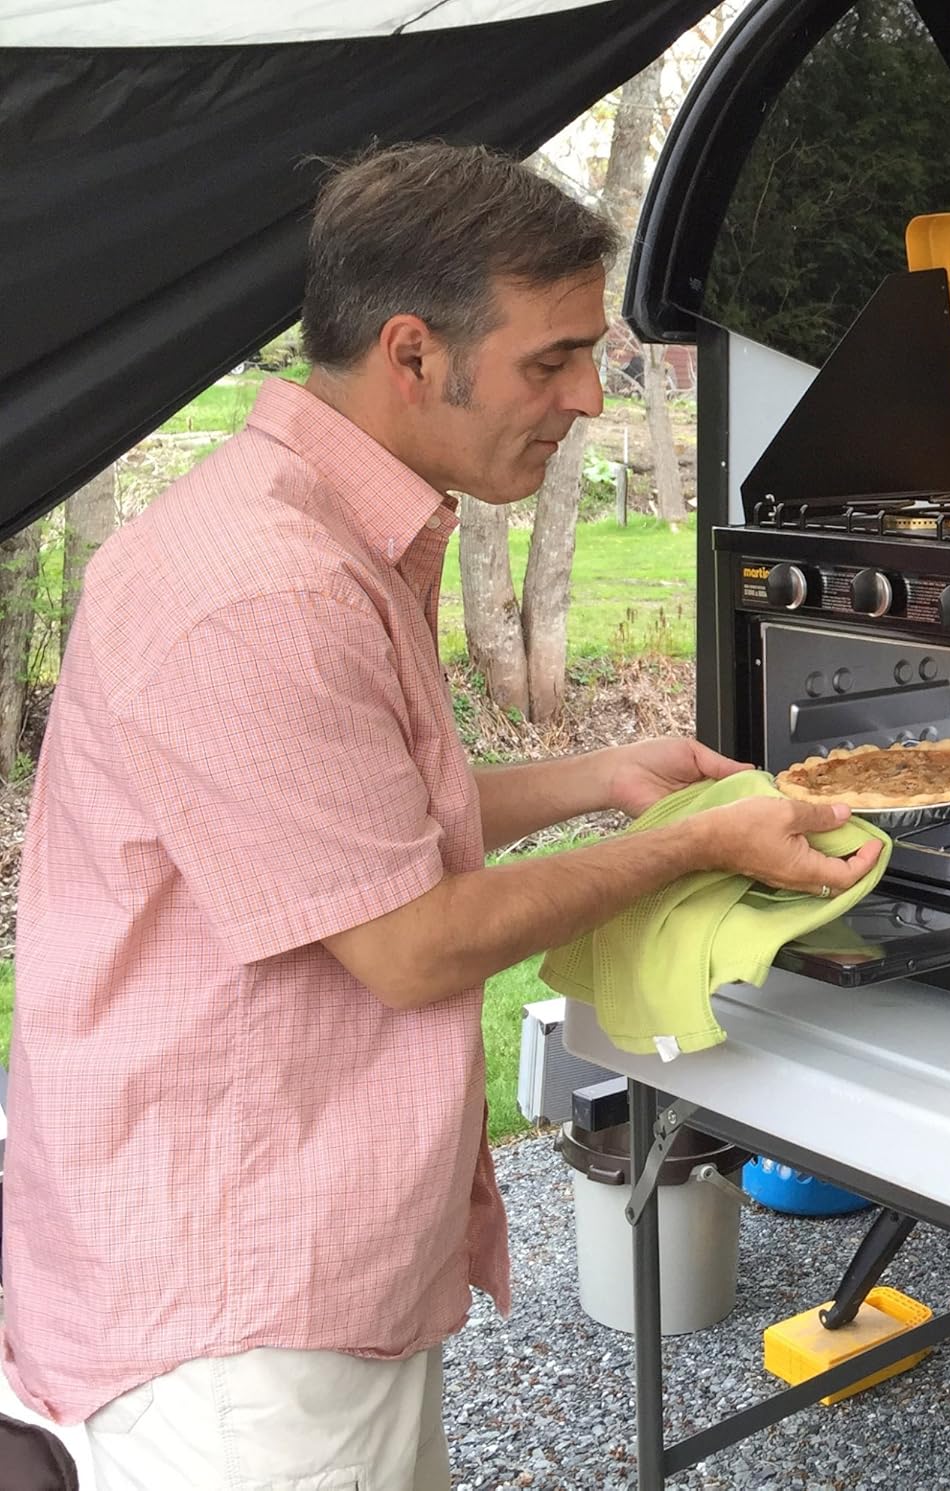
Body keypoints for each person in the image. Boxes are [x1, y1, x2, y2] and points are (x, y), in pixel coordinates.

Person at [0, 142, 881, 1491]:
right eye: (553, 361)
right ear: (412, 353)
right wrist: (690, 846)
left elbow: (347, 832)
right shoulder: (271, 588)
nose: (588, 398)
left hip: (256, 1258)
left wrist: (600, 777)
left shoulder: (300, 528)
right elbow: (407, 941)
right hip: (241, 1323)